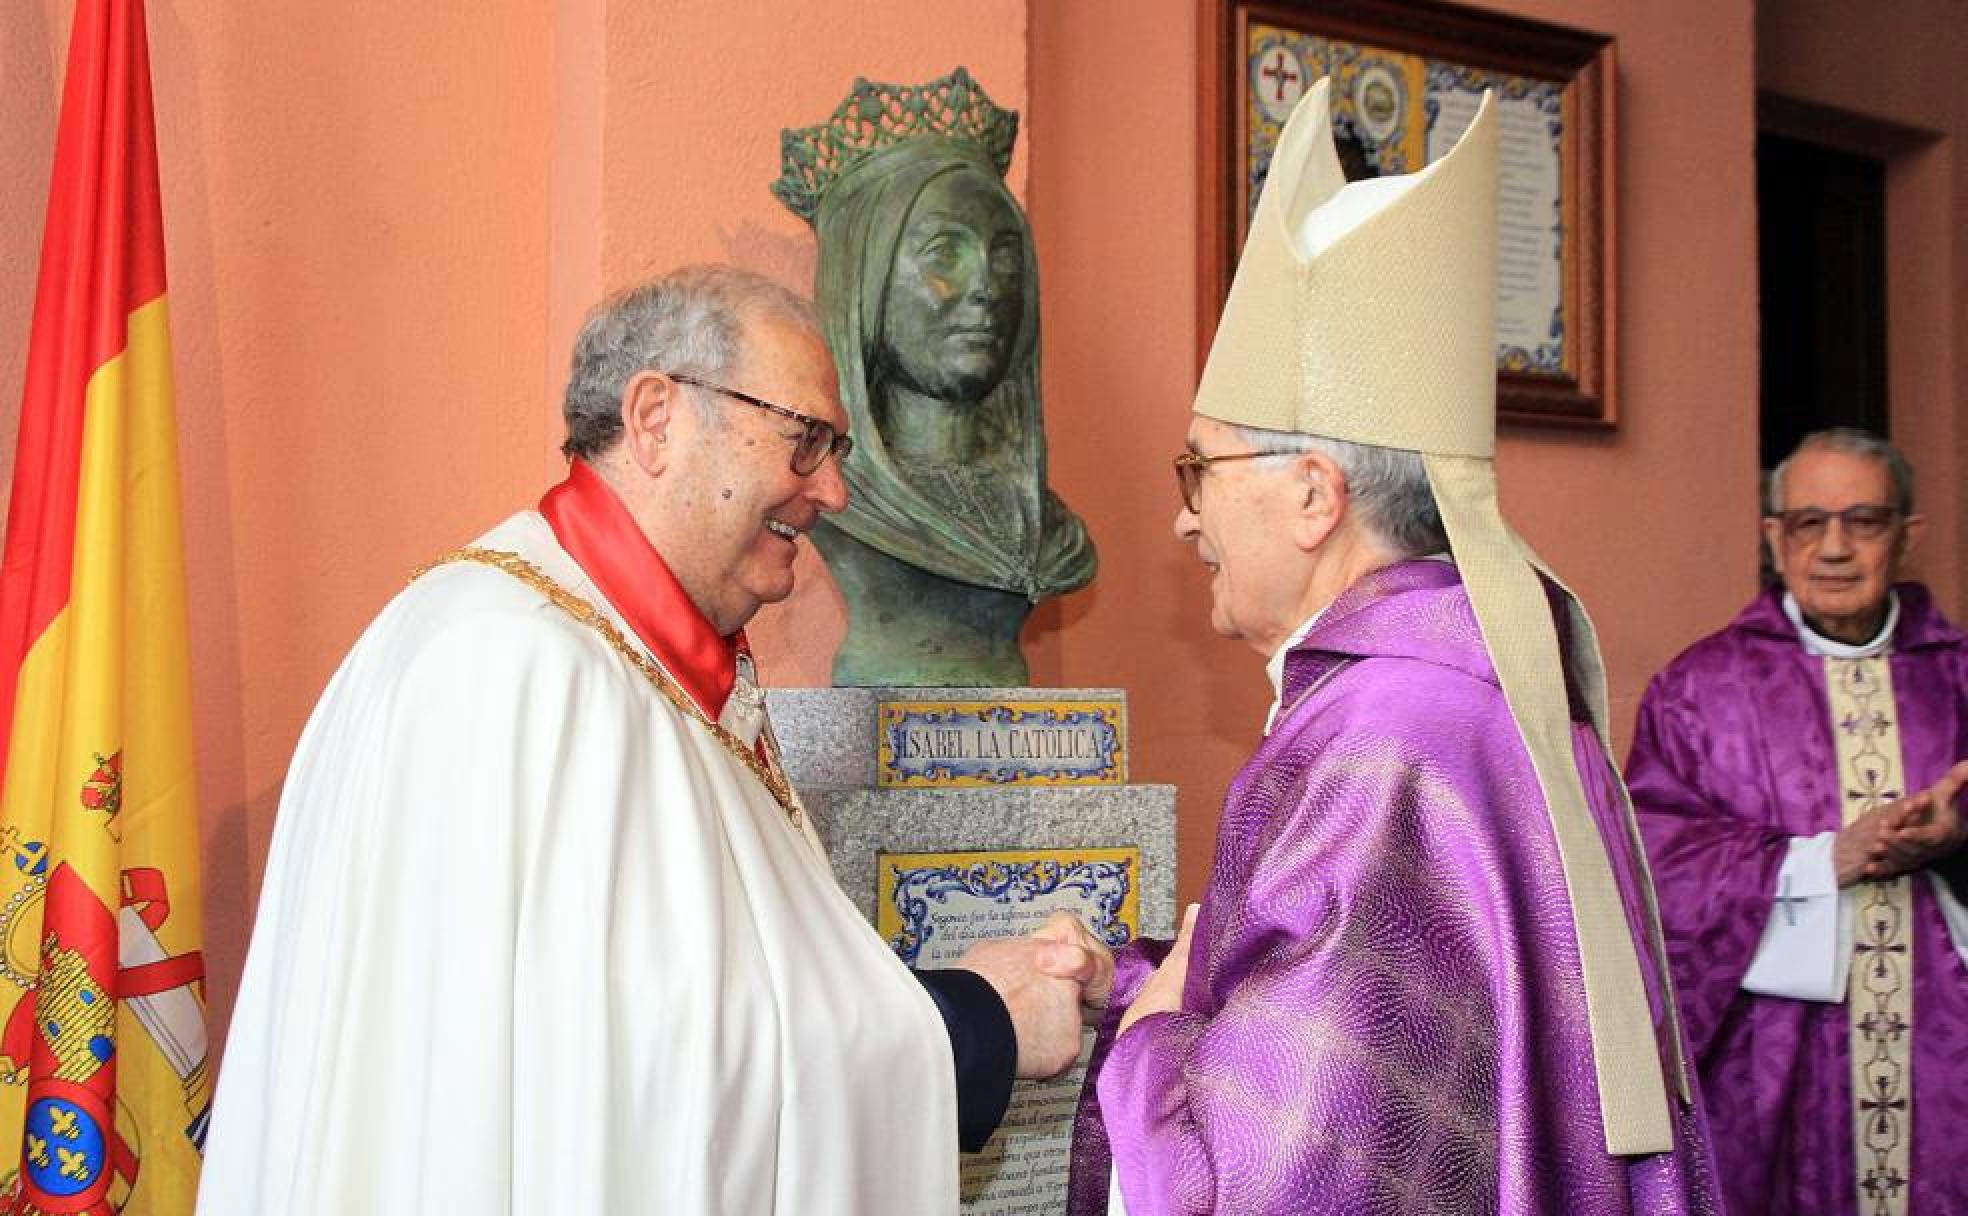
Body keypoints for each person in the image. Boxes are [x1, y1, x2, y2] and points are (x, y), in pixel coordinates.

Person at [196, 266, 1103, 1214]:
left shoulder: (624, 660)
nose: (831, 489)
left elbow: (699, 1026)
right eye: (804, 442)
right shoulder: (522, 671)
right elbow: (645, 1092)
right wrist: (973, 1024)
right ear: (658, 418)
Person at [1062, 80, 1719, 1214]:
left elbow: (1262, 1177)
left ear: (1314, 495)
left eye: (1198, 473)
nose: (1184, 518)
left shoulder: (1384, 744)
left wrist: (1156, 1028)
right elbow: (1389, 1038)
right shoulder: (1457, 691)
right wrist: (1131, 983)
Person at [1627, 427, 1968, 1215]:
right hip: (1774, 1058)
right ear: (1774, 537)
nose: (1836, 548)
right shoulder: (1701, 689)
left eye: (1865, 522)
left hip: (1944, 1054)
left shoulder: (1955, 679)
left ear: (1907, 536)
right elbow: (1651, 858)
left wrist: (1956, 843)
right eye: (1810, 523)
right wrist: (1823, 862)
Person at [773, 68, 1095, 685]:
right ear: (863, 287)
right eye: (944, 253)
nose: (986, 289)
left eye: (1003, 256)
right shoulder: (843, 506)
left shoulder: (1050, 534)